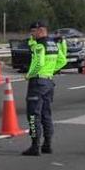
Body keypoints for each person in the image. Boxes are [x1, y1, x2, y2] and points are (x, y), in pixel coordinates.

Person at [21, 20, 67, 156]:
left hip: (38, 82)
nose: (31, 35)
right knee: (46, 114)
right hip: (48, 82)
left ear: (41, 30)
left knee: (33, 115)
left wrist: (29, 74)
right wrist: (51, 70)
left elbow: (38, 63)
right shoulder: (53, 44)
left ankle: (35, 146)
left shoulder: (40, 45)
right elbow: (62, 60)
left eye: (33, 32)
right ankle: (47, 145)